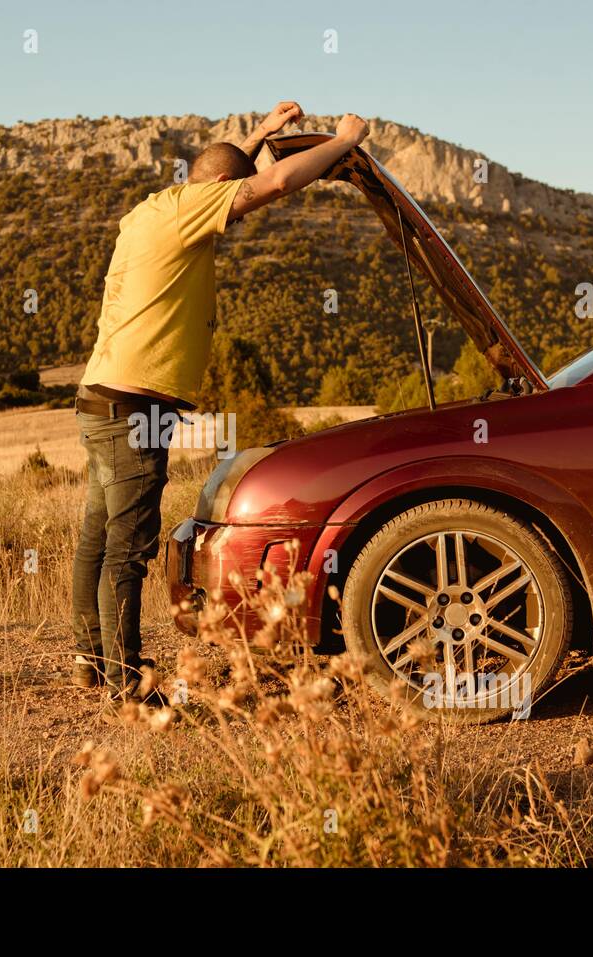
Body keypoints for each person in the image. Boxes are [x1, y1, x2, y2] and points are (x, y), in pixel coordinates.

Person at [71, 104, 371, 718]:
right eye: (228, 205)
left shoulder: (154, 209)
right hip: (133, 407)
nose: (229, 226)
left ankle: (92, 658)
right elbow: (276, 183)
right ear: (217, 191)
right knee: (127, 547)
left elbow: (225, 171)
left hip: (101, 396)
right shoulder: (191, 210)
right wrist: (344, 142)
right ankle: (125, 685)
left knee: (99, 537)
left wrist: (257, 135)